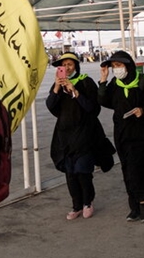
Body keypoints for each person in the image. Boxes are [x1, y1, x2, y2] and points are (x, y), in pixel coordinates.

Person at [98, 50, 144, 223]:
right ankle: (134, 207)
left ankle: (143, 203)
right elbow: (104, 101)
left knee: (137, 168)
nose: (116, 69)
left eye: (119, 65)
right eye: (114, 66)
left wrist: (143, 110)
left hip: (142, 134)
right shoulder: (115, 84)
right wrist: (103, 80)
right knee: (127, 168)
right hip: (122, 133)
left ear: (128, 66)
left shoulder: (143, 82)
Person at [45, 52, 114, 220]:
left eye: (70, 64)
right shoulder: (58, 85)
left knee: (83, 170)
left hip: (84, 134)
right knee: (70, 173)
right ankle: (76, 205)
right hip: (64, 136)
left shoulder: (85, 82)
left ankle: (87, 202)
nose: (67, 68)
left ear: (76, 65)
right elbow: (51, 107)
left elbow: (92, 108)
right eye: (64, 65)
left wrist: (74, 90)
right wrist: (56, 87)